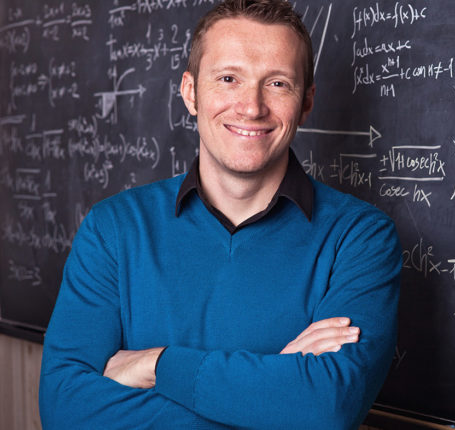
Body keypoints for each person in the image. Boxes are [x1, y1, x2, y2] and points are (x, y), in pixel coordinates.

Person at [38, 1, 401, 428]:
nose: (251, 107)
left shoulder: (360, 239)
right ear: (191, 92)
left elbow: (327, 410)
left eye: (278, 83)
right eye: (229, 79)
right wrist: (274, 396)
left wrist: (157, 365)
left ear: (305, 102)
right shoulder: (113, 230)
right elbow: (64, 411)